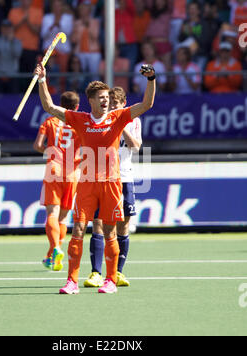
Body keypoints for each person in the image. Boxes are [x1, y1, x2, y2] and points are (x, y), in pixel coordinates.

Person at [34, 60, 156, 295]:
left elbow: (147, 103)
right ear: (90, 100)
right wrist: (42, 79)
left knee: (110, 232)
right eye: (101, 97)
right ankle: (72, 281)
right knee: (78, 229)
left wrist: (151, 79)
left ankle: (110, 280)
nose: (105, 100)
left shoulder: (119, 117)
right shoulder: (80, 119)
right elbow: (49, 106)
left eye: (107, 97)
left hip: (111, 184)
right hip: (87, 184)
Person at [84, 86, 142, 288]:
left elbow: (136, 147)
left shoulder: (133, 120)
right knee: (98, 222)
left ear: (124, 104)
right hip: (103, 177)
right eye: (110, 103)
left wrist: (122, 126)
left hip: (124, 177)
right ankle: (96, 272)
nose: (112, 107)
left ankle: (117, 272)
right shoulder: (102, 121)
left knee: (123, 225)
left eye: (116, 104)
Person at [33, 91, 82, 272]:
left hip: (54, 170)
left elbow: (38, 145)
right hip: (72, 174)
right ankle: (53, 253)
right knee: (63, 217)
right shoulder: (80, 123)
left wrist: (51, 152)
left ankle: (55, 248)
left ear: (60, 105)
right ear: (77, 107)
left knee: (52, 214)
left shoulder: (50, 121)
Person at [8, 0, 43, 77]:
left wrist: (28, 22)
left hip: (31, 49)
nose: (25, 1)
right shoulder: (13, 12)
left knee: (31, 75)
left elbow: (38, 31)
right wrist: (21, 21)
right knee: (17, 76)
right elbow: (9, 30)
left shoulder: (37, 12)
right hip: (16, 49)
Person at [0, 19, 22, 94]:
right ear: (1, 29)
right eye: (4, 27)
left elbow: (17, 54)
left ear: (11, 29)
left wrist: (11, 42)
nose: (6, 30)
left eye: (8, 27)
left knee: (13, 101)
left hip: (12, 76)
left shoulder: (17, 41)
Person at [71, 0, 101, 82]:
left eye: (85, 9)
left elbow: (95, 37)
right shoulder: (77, 23)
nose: (83, 11)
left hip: (93, 52)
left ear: (89, 10)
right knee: (80, 76)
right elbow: (73, 39)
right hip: (80, 52)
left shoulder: (95, 22)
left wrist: (87, 26)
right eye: (81, 9)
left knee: (94, 76)